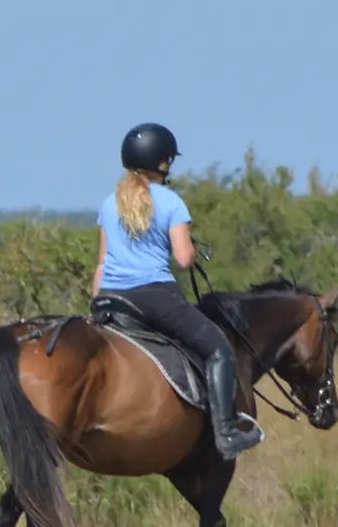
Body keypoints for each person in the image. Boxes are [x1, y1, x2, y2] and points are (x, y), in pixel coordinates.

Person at [92, 122, 264, 461]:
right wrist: (191, 249)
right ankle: (226, 432)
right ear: (164, 162)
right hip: (154, 296)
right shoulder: (171, 202)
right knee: (218, 349)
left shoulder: (110, 204)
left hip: (111, 298)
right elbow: (184, 259)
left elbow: (101, 262)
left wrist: (97, 306)